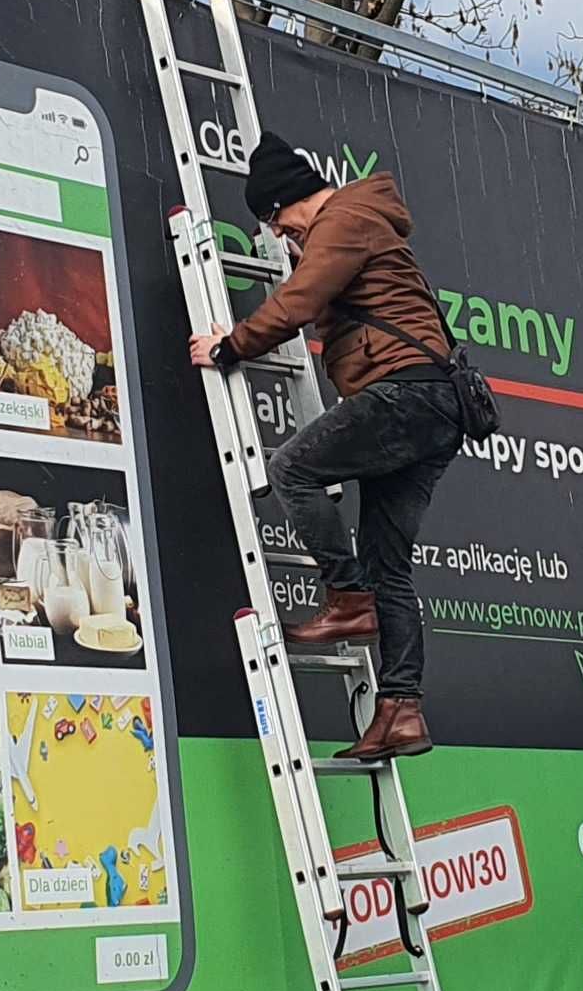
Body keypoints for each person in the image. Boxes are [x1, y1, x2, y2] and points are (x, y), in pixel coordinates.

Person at [192, 132, 469, 760]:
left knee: (291, 468)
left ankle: (347, 596)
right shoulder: (366, 219)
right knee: (389, 560)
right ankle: (401, 710)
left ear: (283, 205)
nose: (283, 238)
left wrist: (229, 346)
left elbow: (300, 300)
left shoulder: (343, 219)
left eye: (277, 224)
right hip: (434, 406)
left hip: (404, 394)